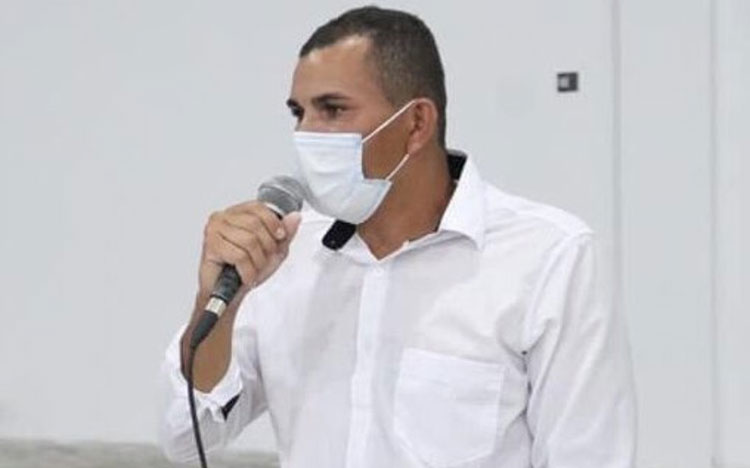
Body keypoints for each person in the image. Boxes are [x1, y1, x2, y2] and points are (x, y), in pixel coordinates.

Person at [160, 6, 636, 467]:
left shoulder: (547, 257)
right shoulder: (284, 253)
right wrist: (217, 301)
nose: (307, 133)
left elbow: (588, 456)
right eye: (298, 113)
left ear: (416, 123)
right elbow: (185, 436)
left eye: (333, 109)